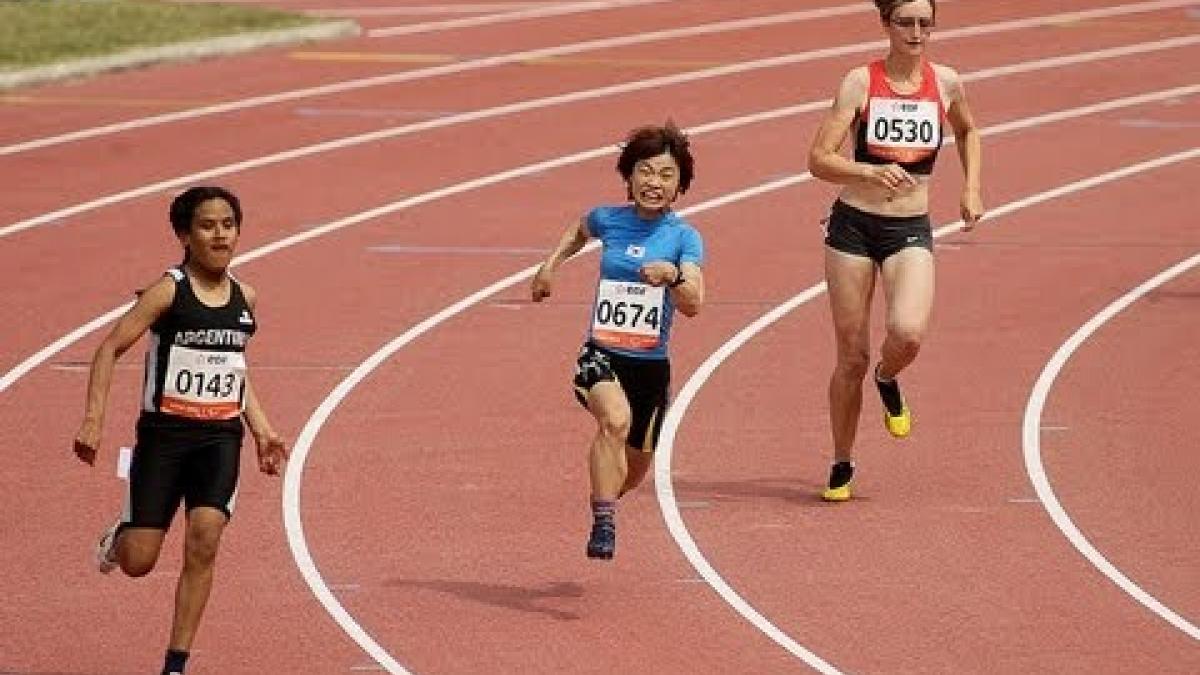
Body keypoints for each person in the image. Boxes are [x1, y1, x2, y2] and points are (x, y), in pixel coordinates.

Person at [73, 186, 287, 675]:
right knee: (139, 560)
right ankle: (120, 534)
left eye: (228, 224)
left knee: (205, 537)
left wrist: (263, 430)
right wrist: (93, 418)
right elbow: (109, 349)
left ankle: (175, 664)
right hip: (164, 439)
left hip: (218, 439)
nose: (220, 234)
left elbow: (234, 370)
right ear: (184, 235)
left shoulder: (246, 296)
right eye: (208, 225)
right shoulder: (169, 291)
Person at [807, 0, 983, 502]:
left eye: (925, 23)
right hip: (853, 227)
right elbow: (818, 158)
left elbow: (970, 130)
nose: (916, 31)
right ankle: (842, 462)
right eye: (905, 21)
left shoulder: (946, 83)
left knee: (906, 334)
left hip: (909, 225)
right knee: (851, 356)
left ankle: (890, 378)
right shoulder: (860, 82)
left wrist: (972, 188)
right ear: (886, 24)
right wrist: (866, 171)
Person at [531, 122, 705, 559]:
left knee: (633, 470)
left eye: (666, 175)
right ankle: (603, 520)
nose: (654, 182)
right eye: (645, 171)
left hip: (650, 365)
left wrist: (673, 276)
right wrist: (549, 266)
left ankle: (609, 497)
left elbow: (695, 302)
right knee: (614, 420)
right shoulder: (608, 219)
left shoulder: (684, 237)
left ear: (680, 184)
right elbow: (579, 230)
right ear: (629, 176)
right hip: (601, 353)